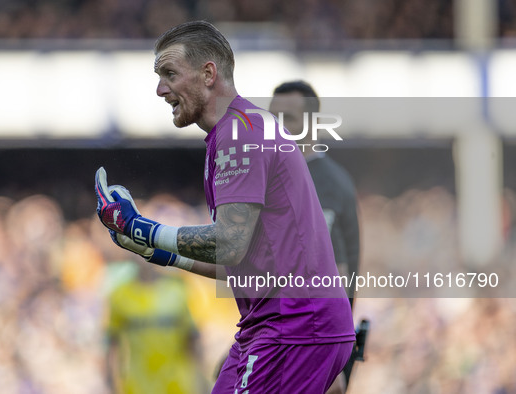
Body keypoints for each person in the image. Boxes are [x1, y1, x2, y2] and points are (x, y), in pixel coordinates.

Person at [95, 21, 355, 393]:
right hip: (281, 325)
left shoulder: (239, 134)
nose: (159, 89)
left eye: (169, 74)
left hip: (293, 326)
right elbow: (241, 260)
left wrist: (143, 228)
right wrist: (158, 252)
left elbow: (229, 243)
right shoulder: (236, 132)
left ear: (208, 74)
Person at [269, 81, 362, 393]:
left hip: (313, 340)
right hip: (278, 332)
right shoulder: (273, 174)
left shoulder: (328, 183)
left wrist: (330, 356)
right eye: (273, 118)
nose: (278, 128)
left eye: (289, 119)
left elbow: (336, 273)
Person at [104, 260, 204, 394]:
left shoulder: (178, 289)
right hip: (137, 386)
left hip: (176, 385)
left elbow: (192, 341)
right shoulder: (120, 294)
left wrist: (201, 382)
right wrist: (112, 383)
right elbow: (112, 345)